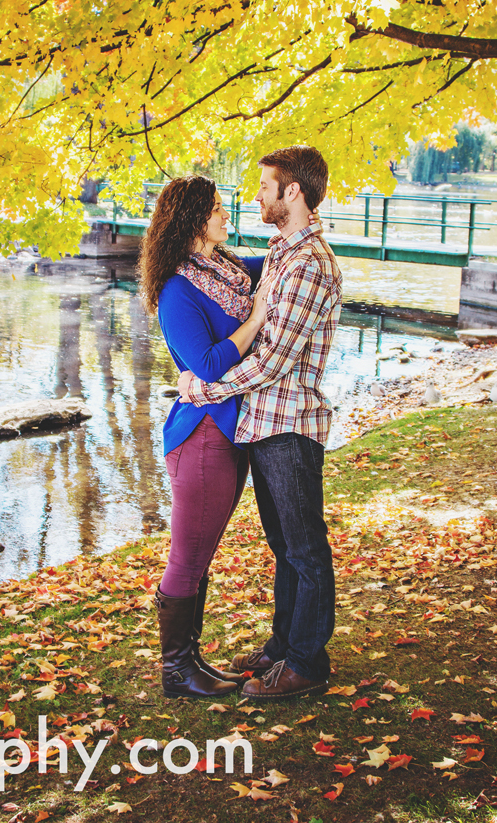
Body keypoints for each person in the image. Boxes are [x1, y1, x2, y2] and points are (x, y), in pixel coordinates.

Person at [178, 145, 342, 700]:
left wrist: (204, 387)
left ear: (292, 192)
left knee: (304, 548)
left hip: (290, 422)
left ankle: (307, 665)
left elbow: (273, 360)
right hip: (265, 422)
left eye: (266, 185)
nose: (256, 196)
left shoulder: (308, 264)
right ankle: (282, 646)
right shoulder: (279, 253)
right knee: (284, 546)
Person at [141, 176, 272, 699]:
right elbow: (209, 364)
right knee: (188, 557)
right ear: (193, 220)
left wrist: (301, 234)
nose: (226, 215)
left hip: (231, 433)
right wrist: (257, 318)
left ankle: (190, 660)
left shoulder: (228, 269)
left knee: (201, 553)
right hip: (201, 438)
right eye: (216, 209)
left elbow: (278, 268)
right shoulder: (176, 290)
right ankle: (176, 672)